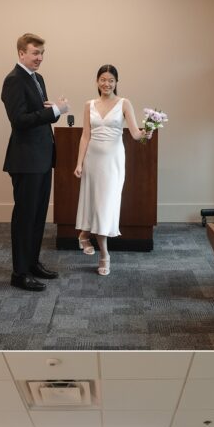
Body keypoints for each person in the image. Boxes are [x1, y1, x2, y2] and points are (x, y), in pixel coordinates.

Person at [2, 33, 69, 292]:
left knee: (39, 215)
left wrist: (51, 110)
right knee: (25, 216)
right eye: (34, 53)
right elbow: (19, 120)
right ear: (21, 53)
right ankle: (19, 273)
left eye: (42, 54)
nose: (39, 58)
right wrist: (54, 111)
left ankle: (32, 263)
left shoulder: (37, 78)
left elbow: (37, 115)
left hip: (41, 157)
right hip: (25, 159)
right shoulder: (13, 80)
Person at [74, 65, 148, 277]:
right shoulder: (89, 105)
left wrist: (146, 133)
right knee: (93, 201)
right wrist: (79, 163)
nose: (106, 83)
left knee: (105, 205)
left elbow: (135, 134)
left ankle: (95, 245)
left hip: (113, 161)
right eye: (103, 79)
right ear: (97, 81)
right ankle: (94, 244)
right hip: (92, 160)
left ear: (116, 82)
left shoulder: (124, 103)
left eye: (111, 80)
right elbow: (85, 136)